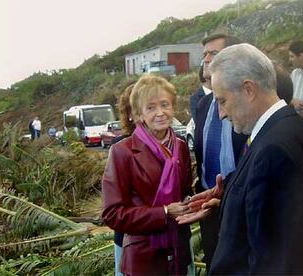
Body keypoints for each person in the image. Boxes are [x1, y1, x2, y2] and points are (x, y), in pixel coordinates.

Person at [180, 43, 303, 274]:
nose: (221, 113)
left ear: (248, 90)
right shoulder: (281, 130)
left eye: (222, 101)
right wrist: (227, 198)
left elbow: (272, 259)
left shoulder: (275, 149)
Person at [102, 75, 193, 275]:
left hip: (178, 254)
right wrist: (165, 212)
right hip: (143, 260)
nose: (160, 113)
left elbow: (186, 193)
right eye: (151, 107)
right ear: (139, 114)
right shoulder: (123, 152)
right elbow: (112, 214)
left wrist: (193, 203)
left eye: (165, 104)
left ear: (173, 107)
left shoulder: (181, 147)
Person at [193, 33, 247, 270]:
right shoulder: (203, 105)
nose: (205, 58)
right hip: (208, 204)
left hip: (238, 204)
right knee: (214, 261)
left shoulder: (245, 103)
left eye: (212, 53)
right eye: (204, 53)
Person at [110, 83, 136, 276]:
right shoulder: (119, 148)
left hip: (173, 242)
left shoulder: (178, 144)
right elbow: (114, 208)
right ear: (129, 113)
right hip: (129, 240)